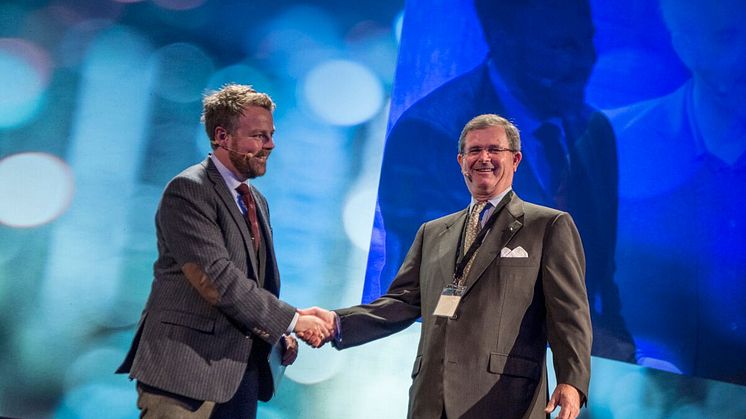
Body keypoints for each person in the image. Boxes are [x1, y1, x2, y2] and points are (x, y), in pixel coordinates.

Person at [368, 0, 633, 362]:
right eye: (560, 46)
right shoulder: (430, 134)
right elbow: (442, 284)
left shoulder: (595, 132)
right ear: (502, 38)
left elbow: (601, 282)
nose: (582, 61)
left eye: (586, 41)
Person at [307, 114, 592, 419]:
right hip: (432, 397)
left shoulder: (548, 225)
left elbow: (569, 312)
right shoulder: (432, 232)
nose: (483, 158)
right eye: (474, 150)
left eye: (495, 150)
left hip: (505, 398)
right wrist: (337, 323)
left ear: (516, 159)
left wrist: (571, 379)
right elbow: (400, 303)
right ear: (460, 160)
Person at [116, 84, 334, 418]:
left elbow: (252, 287)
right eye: (259, 136)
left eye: (271, 135)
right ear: (222, 136)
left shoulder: (256, 201)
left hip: (239, 378)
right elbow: (217, 280)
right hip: (184, 377)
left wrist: (275, 334)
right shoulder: (189, 190)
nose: (270, 145)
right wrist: (291, 321)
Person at [606, 0, 746, 383]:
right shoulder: (614, 143)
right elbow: (570, 281)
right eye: (726, 36)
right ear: (681, 42)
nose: (738, 56)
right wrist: (630, 357)